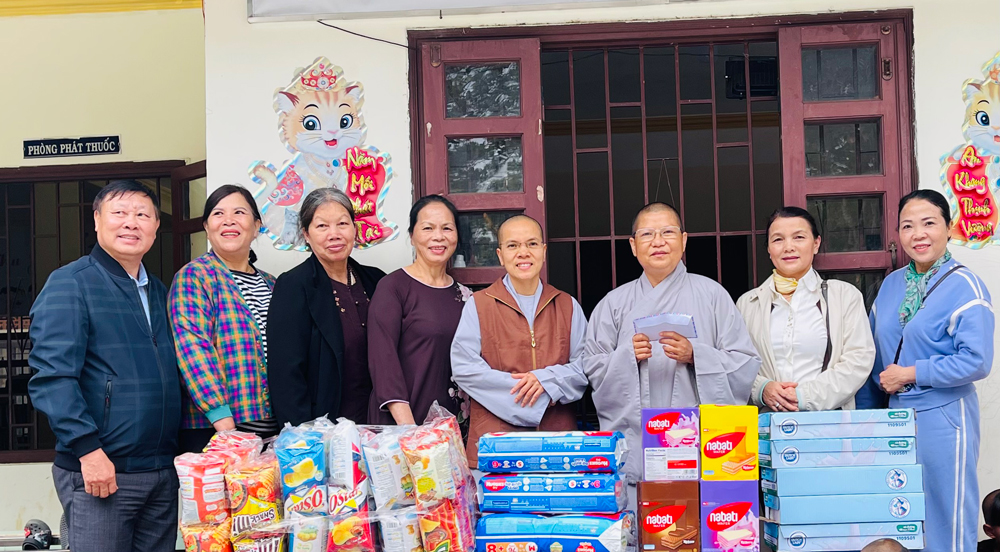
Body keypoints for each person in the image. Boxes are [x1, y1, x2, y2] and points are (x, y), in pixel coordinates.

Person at [27, 180, 181, 552]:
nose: (132, 223)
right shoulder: (70, 283)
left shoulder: (161, 292)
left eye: (143, 215)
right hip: (102, 471)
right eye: (120, 213)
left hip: (160, 471)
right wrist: (88, 451)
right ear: (97, 221)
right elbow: (52, 378)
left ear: (155, 227)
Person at [856, 189, 994, 552]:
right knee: (898, 515)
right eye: (907, 225)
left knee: (945, 514)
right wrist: (867, 419)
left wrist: (911, 373)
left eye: (929, 223)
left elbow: (976, 360)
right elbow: (873, 354)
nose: (918, 234)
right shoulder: (890, 285)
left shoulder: (965, 286)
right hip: (892, 418)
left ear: (949, 228)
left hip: (945, 416)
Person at [584, 202, 760, 481]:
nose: (658, 242)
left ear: (684, 240)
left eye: (668, 232)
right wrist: (626, 356)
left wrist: (697, 355)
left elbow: (745, 362)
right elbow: (592, 366)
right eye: (647, 234)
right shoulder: (613, 303)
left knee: (695, 513)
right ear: (632, 245)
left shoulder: (713, 295)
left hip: (699, 439)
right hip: (638, 438)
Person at [451, 215, 589, 462]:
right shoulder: (479, 305)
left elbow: (585, 367)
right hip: (496, 440)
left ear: (544, 252)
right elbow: (464, 369)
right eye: (513, 245)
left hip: (557, 441)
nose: (523, 252)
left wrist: (544, 380)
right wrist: (528, 399)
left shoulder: (567, 305)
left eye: (532, 244)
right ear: (500, 255)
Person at [169, 185, 277, 453]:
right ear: (207, 227)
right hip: (218, 431)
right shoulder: (194, 277)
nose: (229, 220)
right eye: (218, 213)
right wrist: (225, 426)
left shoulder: (273, 284)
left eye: (239, 212)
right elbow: (193, 349)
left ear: (256, 225)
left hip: (272, 428)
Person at [737, 207, 875, 412]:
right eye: (778, 240)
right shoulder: (748, 303)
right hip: (768, 424)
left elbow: (858, 359)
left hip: (827, 424)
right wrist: (762, 389)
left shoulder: (844, 296)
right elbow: (737, 363)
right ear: (768, 248)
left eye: (799, 237)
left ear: (816, 243)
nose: (788, 247)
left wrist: (804, 396)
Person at [268, 188, 385, 426]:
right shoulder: (293, 286)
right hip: (323, 428)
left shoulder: (377, 281)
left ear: (354, 229)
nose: (334, 234)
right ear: (306, 234)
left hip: (378, 424)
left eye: (342, 223)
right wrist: (304, 436)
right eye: (322, 226)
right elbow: (286, 375)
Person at [369, 195, 472, 425]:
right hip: (403, 425)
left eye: (447, 228)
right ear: (412, 236)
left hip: (452, 426)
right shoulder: (393, 288)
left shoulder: (466, 296)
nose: (439, 236)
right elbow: (383, 363)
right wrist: (410, 431)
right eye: (428, 228)